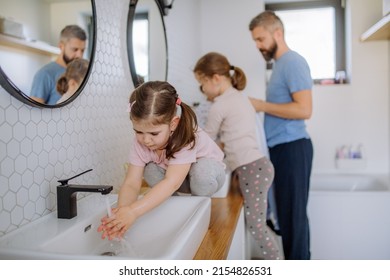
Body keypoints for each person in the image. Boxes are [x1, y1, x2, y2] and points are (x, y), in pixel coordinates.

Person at [98, 81, 226, 240]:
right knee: (150, 169)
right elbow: (131, 182)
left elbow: (172, 182)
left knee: (201, 171)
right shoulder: (141, 142)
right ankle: (177, 207)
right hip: (181, 179)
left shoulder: (185, 136)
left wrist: (134, 211)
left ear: (173, 124)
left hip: (208, 175)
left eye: (154, 134)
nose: (146, 140)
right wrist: (122, 214)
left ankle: (198, 207)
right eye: (138, 131)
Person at [193, 52, 283, 260]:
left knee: (256, 226)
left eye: (202, 83)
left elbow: (207, 140)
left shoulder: (220, 105)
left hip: (252, 168)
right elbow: (232, 138)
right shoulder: (240, 99)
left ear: (215, 78)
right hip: (256, 166)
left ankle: (277, 262)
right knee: (257, 224)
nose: (202, 90)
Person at [248, 10, 314, 260]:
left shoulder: (293, 62)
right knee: (287, 219)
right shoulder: (279, 66)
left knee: (293, 220)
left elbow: (305, 109)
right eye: (255, 41)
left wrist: (261, 105)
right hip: (282, 149)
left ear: (277, 33)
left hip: (293, 148)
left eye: (260, 39)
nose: (258, 45)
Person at [30, 25, 87, 105]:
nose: (79, 55)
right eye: (75, 49)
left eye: (82, 50)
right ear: (61, 46)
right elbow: (34, 112)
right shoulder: (44, 74)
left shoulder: (82, 72)